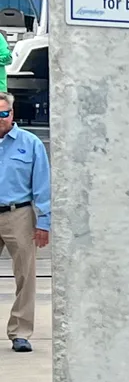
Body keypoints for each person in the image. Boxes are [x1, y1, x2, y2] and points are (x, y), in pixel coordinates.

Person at [0, 93, 48, 352]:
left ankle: (20, 332)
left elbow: (42, 186)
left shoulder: (30, 144)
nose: (0, 118)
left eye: (3, 113)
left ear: (12, 114)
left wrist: (44, 222)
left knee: (26, 276)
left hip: (18, 214)